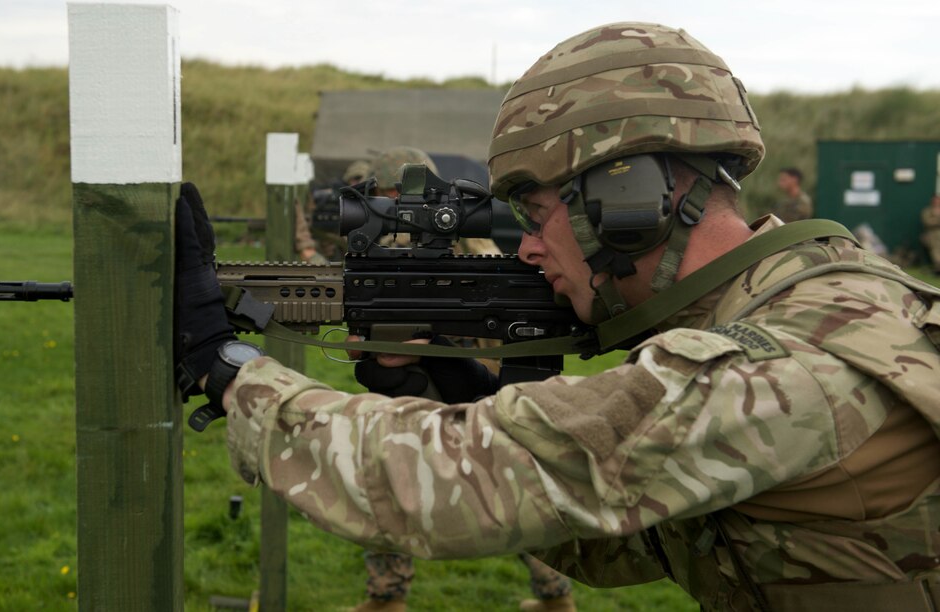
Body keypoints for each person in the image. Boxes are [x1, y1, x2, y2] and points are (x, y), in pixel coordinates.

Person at [173, 23, 940, 611]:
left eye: (537, 216)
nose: (531, 249)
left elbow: (441, 486)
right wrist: (462, 387)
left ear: (628, 201)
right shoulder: (826, 293)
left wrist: (227, 368)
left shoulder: (777, 367)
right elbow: (622, 536)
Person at [353, 146, 577, 612]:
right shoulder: (380, 244)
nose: (385, 205)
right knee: (388, 466)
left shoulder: (464, 241)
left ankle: (556, 595)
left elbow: (499, 304)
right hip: (418, 377)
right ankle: (387, 595)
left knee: (511, 479)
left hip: (477, 378)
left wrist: (435, 334)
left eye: (389, 195)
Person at [922, 195, 940, 273]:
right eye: (935, 200)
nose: (937, 202)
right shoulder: (927, 211)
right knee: (935, 251)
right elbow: (927, 222)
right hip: (932, 235)